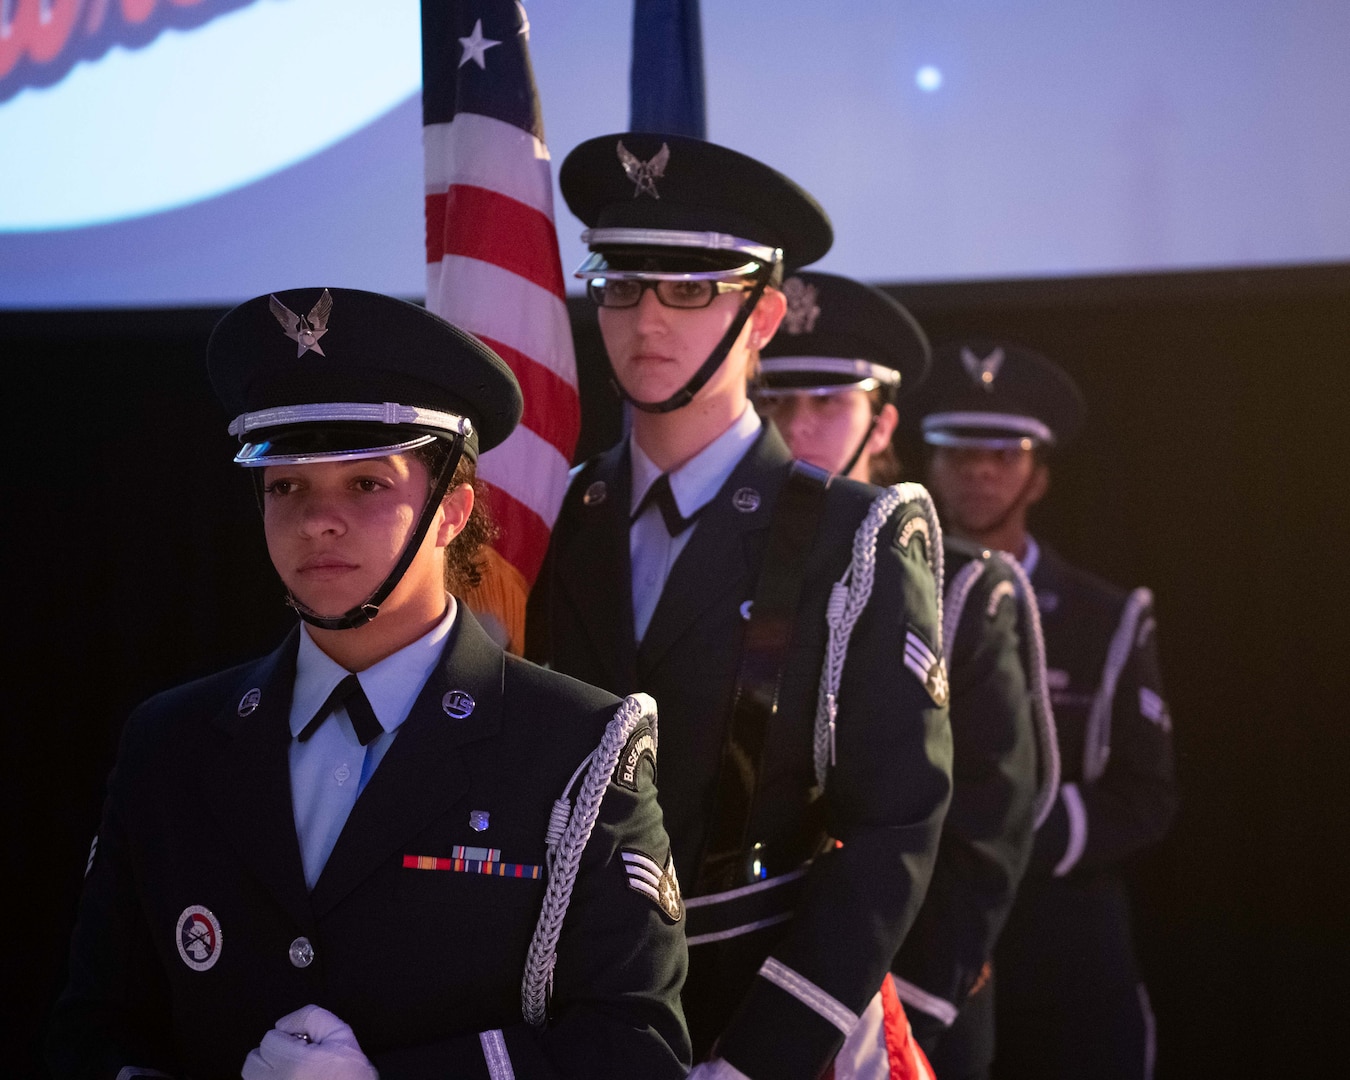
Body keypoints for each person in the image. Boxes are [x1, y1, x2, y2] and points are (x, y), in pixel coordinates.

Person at [46, 288, 691, 1080]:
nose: (318, 520)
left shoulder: (574, 749)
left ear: (453, 509)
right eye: (286, 487)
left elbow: (636, 1047)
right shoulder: (170, 741)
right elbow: (95, 1031)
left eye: (365, 485)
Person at [525, 134, 952, 1080]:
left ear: (761, 316)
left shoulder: (857, 533)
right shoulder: (554, 517)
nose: (648, 321)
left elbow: (894, 825)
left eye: (690, 290)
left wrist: (765, 1056)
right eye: (624, 286)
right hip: (573, 1025)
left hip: (765, 1016)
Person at [755, 271, 1057, 1080]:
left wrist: (901, 1012)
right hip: (742, 994)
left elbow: (989, 826)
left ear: (882, 421)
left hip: (903, 1005)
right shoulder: (717, 573)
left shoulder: (961, 585)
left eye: (829, 403)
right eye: (779, 403)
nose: (800, 426)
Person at [912, 340, 1177, 1080]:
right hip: (927, 934)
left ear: (1040, 473)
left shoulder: (1108, 616)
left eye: (1003, 452)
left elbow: (1146, 796)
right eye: (958, 452)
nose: (980, 471)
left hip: (1062, 941)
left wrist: (1004, 835)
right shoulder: (880, 601)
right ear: (927, 464)